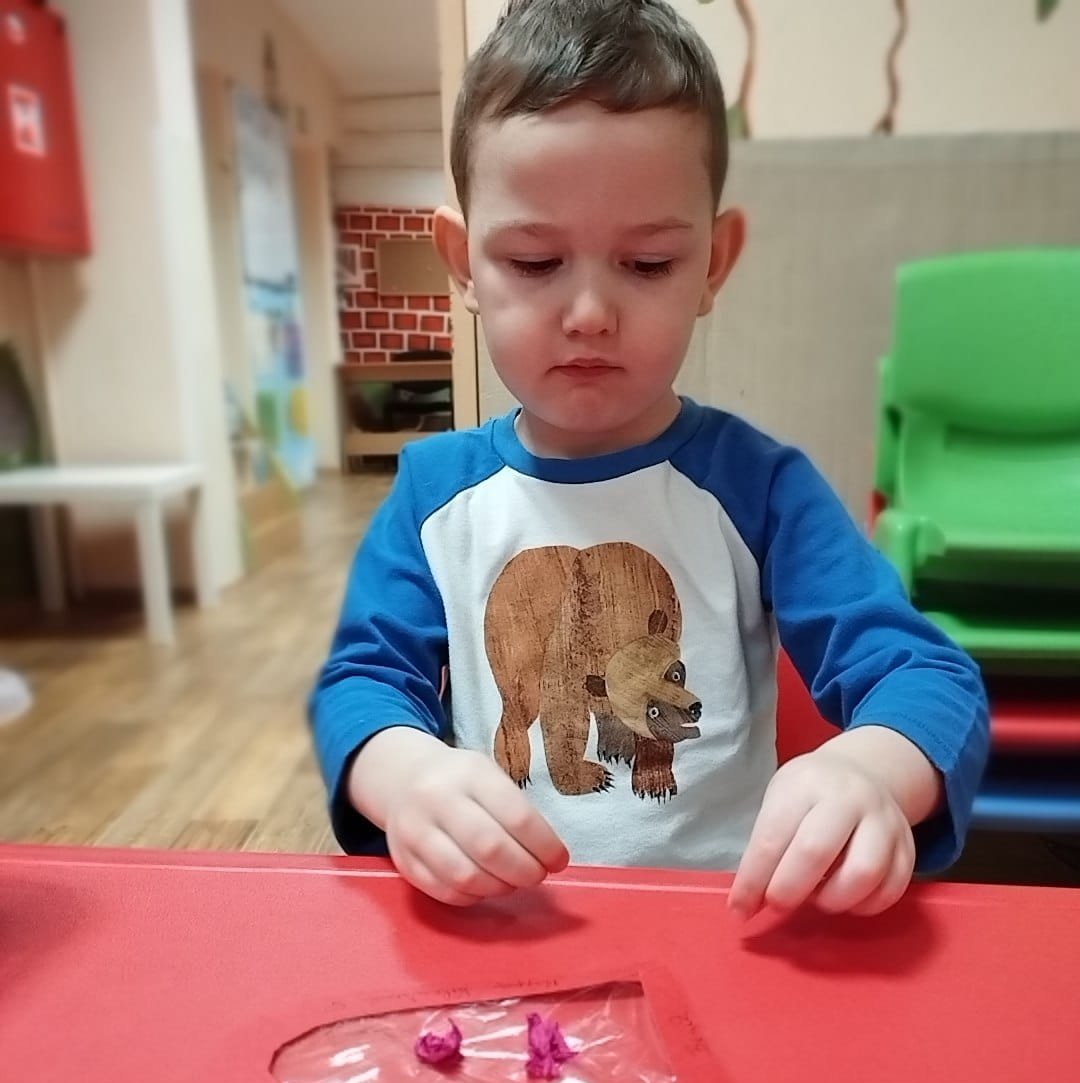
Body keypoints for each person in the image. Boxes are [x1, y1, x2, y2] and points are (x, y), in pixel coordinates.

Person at [310, 0, 988, 918]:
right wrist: (403, 773)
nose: (590, 313)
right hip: (504, 931)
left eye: (648, 264)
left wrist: (873, 771)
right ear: (464, 265)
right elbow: (361, 682)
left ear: (713, 262)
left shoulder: (759, 488)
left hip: (718, 928)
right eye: (536, 263)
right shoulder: (435, 494)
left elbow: (927, 675)